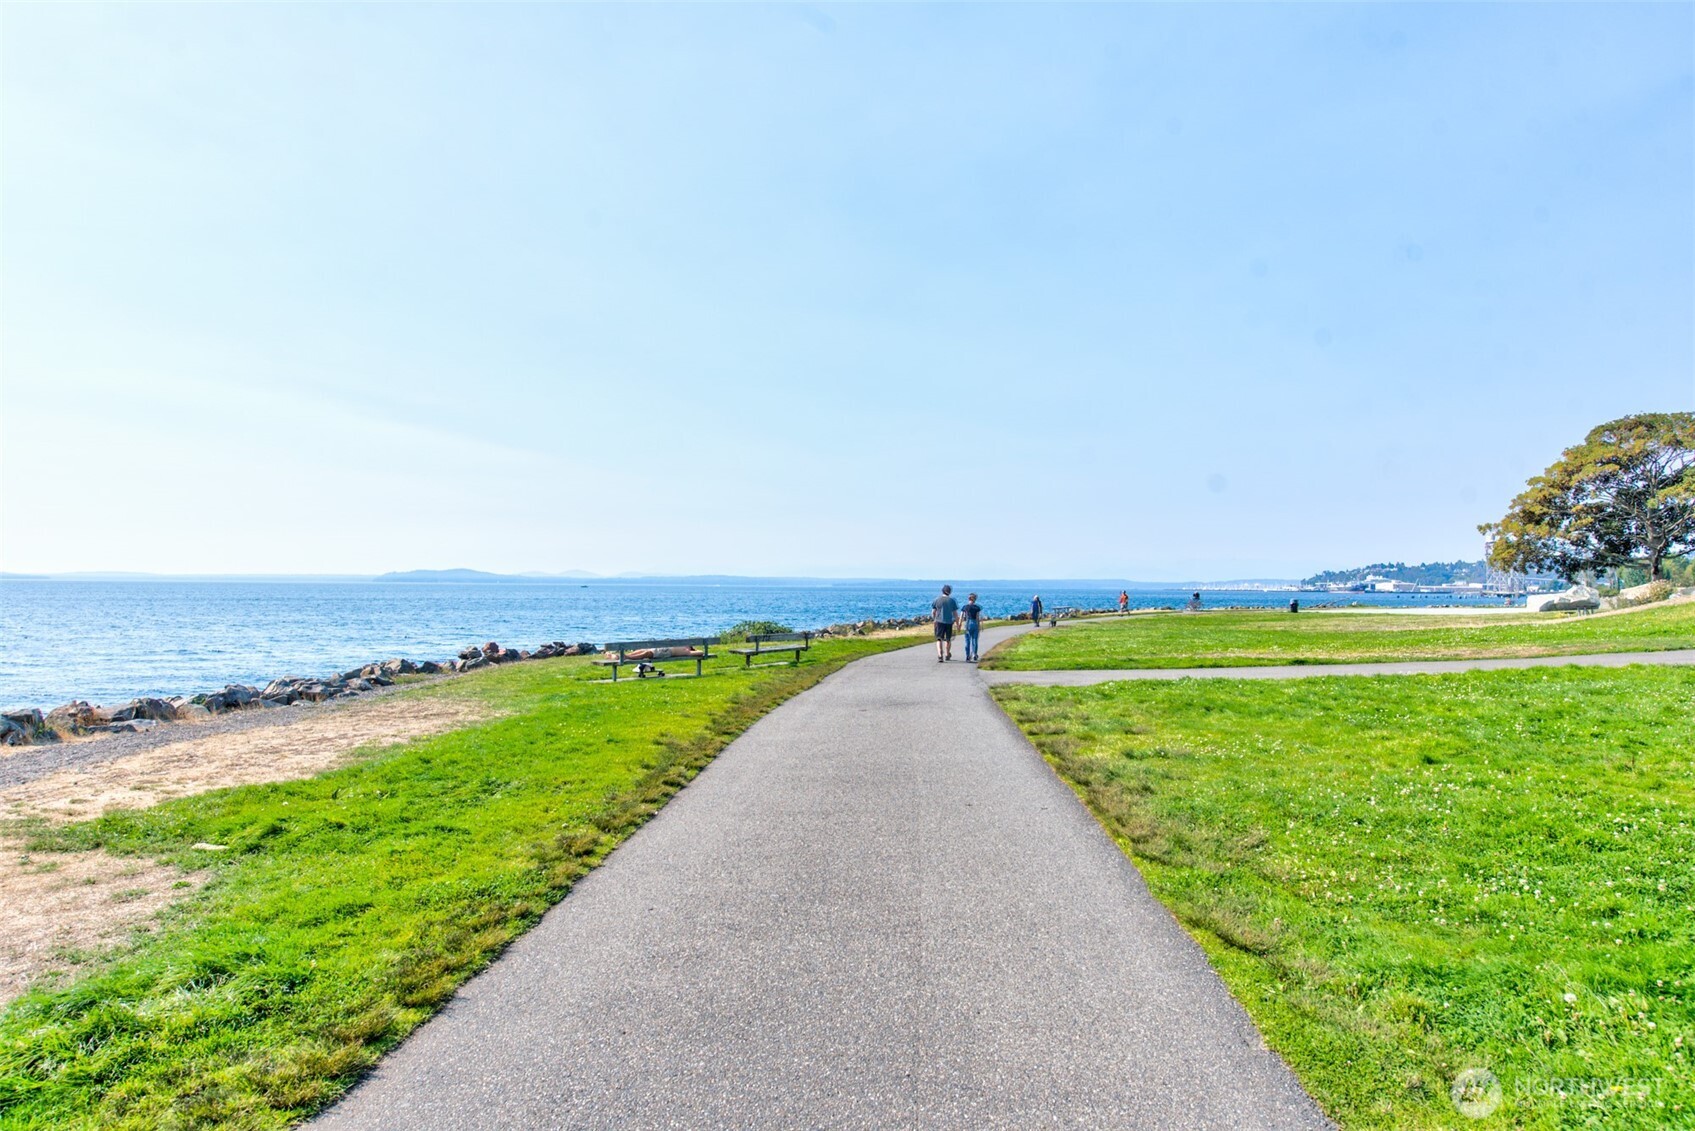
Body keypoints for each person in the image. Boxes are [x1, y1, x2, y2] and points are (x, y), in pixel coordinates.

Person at [931, 584, 959, 662]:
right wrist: (957, 623)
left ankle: (940, 655)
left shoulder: (937, 600)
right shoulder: (952, 601)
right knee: (948, 639)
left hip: (939, 621)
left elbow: (933, 612)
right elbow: (955, 614)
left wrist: (934, 619)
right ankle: (947, 654)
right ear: (950, 592)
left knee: (939, 639)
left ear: (942, 591)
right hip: (949, 622)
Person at [960, 592, 984, 662]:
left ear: (968, 598)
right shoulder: (977, 607)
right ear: (975, 599)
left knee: (967, 641)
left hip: (967, 623)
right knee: (975, 640)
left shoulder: (965, 607)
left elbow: (961, 617)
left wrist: (959, 625)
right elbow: (978, 618)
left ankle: (967, 656)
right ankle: (974, 654)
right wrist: (980, 626)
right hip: (974, 623)